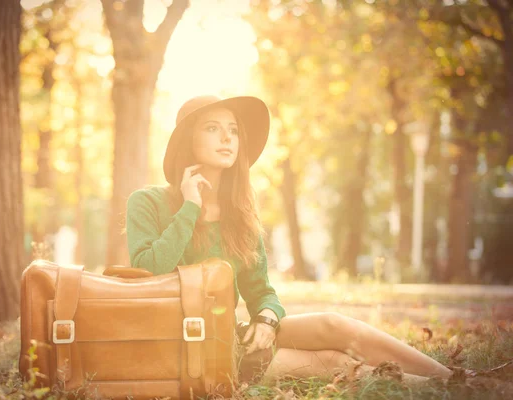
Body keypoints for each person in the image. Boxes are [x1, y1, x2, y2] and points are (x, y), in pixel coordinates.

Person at [124, 95, 453, 384]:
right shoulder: (147, 202)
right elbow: (149, 272)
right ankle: (440, 391)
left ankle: (454, 379)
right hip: (186, 347)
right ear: (188, 140)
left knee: (333, 324)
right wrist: (190, 207)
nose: (227, 137)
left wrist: (267, 318)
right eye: (212, 128)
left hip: (232, 334)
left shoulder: (238, 215)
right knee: (334, 362)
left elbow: (262, 291)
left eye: (234, 129)